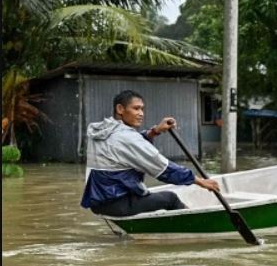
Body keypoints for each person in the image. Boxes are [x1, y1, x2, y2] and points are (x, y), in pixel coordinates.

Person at [80, 90, 219, 217]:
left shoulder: (103, 130)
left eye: (142, 109)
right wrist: (201, 182)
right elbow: (164, 168)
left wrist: (155, 131)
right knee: (171, 198)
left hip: (99, 202)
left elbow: (126, 145)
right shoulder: (127, 138)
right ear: (120, 109)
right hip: (117, 202)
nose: (141, 113)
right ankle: (193, 226)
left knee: (150, 195)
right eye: (136, 108)